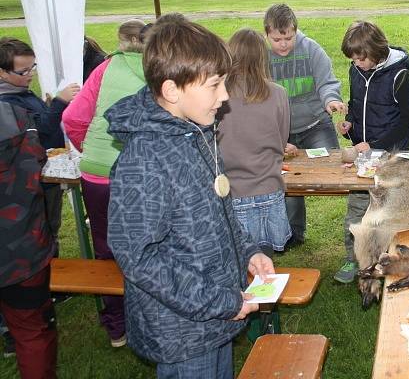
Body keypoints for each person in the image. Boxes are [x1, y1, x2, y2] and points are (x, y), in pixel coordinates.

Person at [106, 19, 274, 377]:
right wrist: (219, 301)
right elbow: (138, 256)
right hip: (181, 330)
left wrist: (249, 252)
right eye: (215, 84)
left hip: (214, 314)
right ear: (172, 90)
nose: (225, 95)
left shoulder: (197, 134)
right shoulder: (145, 158)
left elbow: (220, 213)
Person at [62, 19, 147, 348]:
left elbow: (72, 118)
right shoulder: (162, 73)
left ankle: (117, 325)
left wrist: (91, 150)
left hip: (98, 174)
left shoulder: (105, 68)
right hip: (140, 171)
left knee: (107, 248)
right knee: (145, 246)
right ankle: (146, 317)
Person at [334, 21, 409, 283]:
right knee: (357, 211)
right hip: (365, 158)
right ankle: (353, 260)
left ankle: (388, 262)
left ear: (377, 50)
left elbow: (408, 122)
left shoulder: (398, 75)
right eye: (353, 59)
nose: (357, 63)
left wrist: (376, 144)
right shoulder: (356, 70)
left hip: (392, 158)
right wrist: (351, 126)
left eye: (361, 58)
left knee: (387, 214)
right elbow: (358, 105)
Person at [264, 3, 346, 246]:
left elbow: (327, 83)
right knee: (287, 181)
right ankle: (293, 235)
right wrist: (275, 137)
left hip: (315, 124)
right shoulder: (260, 57)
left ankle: (356, 225)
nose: (283, 44)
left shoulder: (311, 49)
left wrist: (331, 100)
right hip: (280, 130)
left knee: (335, 171)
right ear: (266, 34)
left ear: (295, 31)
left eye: (288, 38)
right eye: (277, 39)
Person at [0, 38, 80, 260]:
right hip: (32, 179)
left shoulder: (20, 91)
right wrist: (58, 103)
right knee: (42, 229)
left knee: (49, 225)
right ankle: (48, 281)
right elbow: (40, 131)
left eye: (32, 67)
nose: (30, 74)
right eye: (23, 71)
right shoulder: (8, 103)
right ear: (2, 73)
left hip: (42, 171)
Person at [218, 29, 295, 257]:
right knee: (264, 263)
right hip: (268, 188)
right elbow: (282, 142)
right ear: (263, 57)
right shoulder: (278, 93)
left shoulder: (217, 95)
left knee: (234, 262)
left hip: (231, 191)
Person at [0, 100, 57, 378]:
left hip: (21, 250)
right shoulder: (17, 117)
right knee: (32, 333)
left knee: (31, 330)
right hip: (22, 249)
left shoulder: (17, 116)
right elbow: (38, 158)